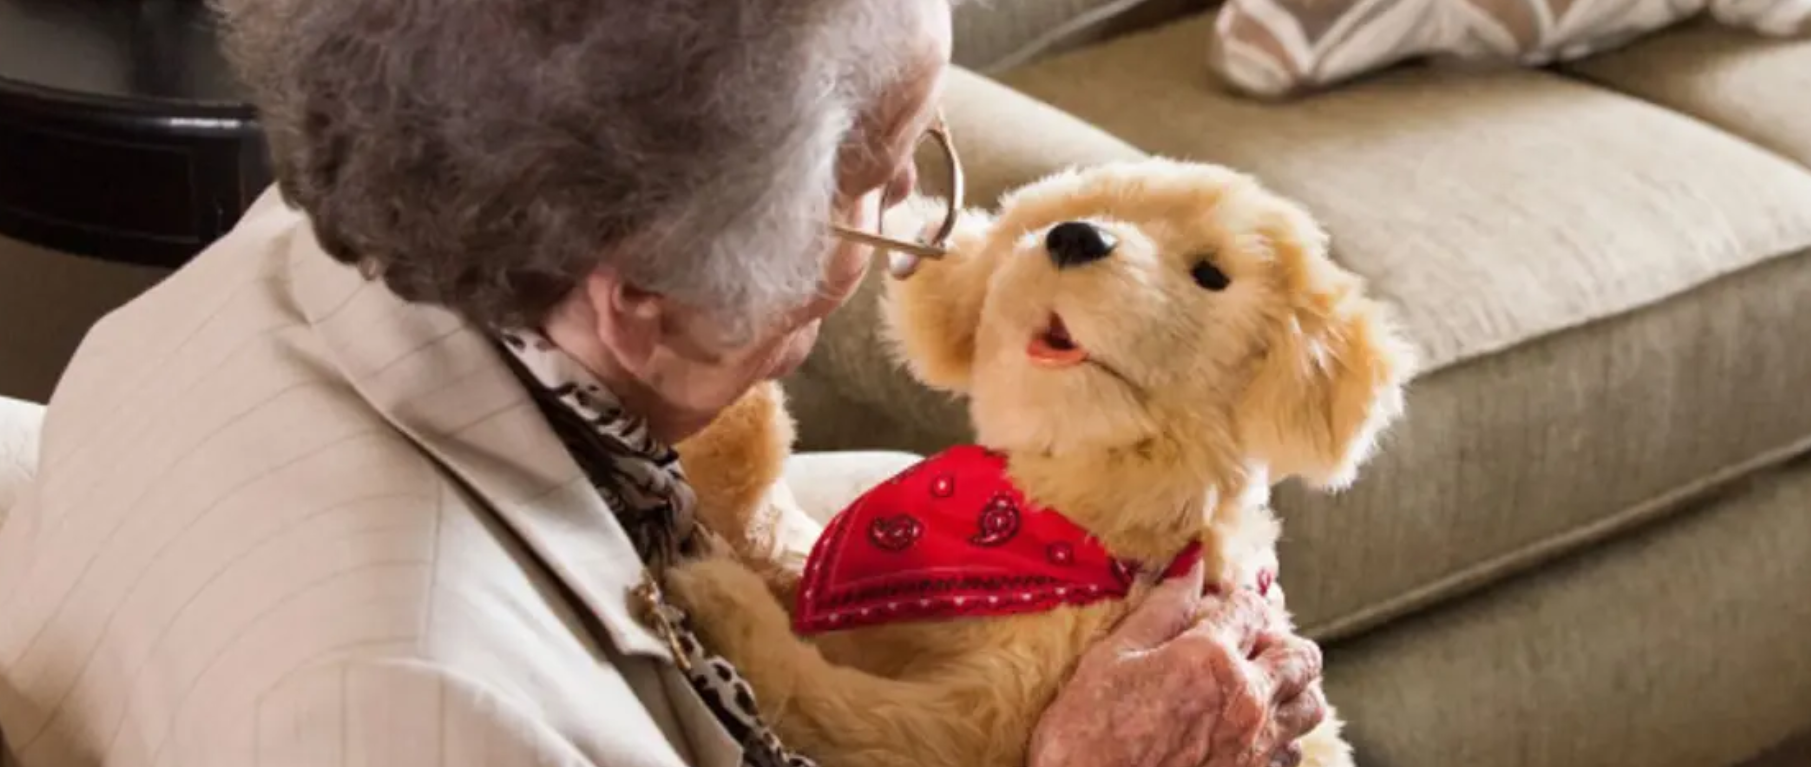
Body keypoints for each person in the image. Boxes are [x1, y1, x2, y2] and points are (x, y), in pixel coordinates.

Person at [0, 0, 1329, 765]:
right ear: (642, 296)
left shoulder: (325, 237)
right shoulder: (417, 712)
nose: (921, 226)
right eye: (877, 183)